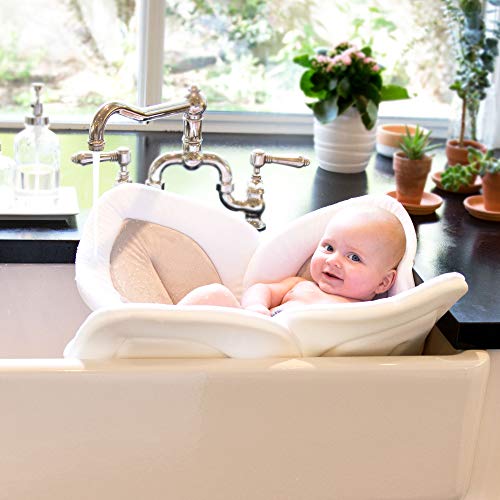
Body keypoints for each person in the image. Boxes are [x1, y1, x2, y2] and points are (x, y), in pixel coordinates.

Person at [178, 206, 406, 316]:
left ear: (383, 283)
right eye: (329, 247)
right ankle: (163, 331)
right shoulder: (300, 285)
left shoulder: (368, 313)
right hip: (248, 339)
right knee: (215, 294)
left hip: (289, 368)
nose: (333, 260)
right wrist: (256, 307)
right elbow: (261, 289)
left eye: (353, 257)